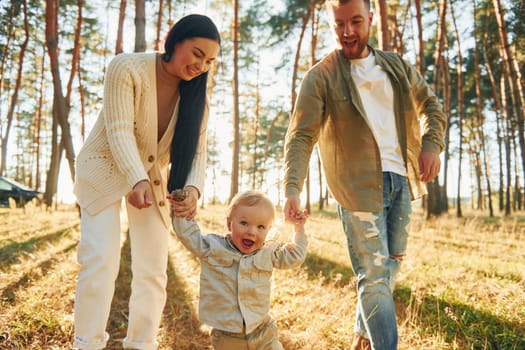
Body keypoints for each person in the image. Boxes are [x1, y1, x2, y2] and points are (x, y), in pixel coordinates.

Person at [282, 1, 447, 349]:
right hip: (356, 188)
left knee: (390, 267)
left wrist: (431, 143)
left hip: (400, 179)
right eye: (339, 24)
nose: (348, 32)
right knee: (373, 277)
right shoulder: (321, 76)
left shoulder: (396, 66)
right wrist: (293, 186)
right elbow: (300, 135)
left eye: (356, 21)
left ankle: (362, 334)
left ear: (371, 18)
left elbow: (430, 104)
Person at [72, 14, 221, 350]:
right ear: (175, 40)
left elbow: (198, 152)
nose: (201, 65)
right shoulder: (126, 68)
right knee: (101, 260)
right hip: (104, 169)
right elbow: (119, 129)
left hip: (150, 181)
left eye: (209, 61)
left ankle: (141, 344)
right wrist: (135, 177)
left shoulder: (198, 100)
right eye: (197, 53)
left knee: (153, 271)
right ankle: (87, 343)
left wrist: (193, 189)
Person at [170, 190, 308, 350]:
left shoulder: (268, 253)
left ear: (268, 230)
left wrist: (299, 228)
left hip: (263, 331)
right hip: (227, 337)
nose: (251, 231)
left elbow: (295, 256)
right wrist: (181, 207)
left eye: (261, 227)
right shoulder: (213, 248)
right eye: (244, 223)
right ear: (230, 224)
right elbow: (189, 235)